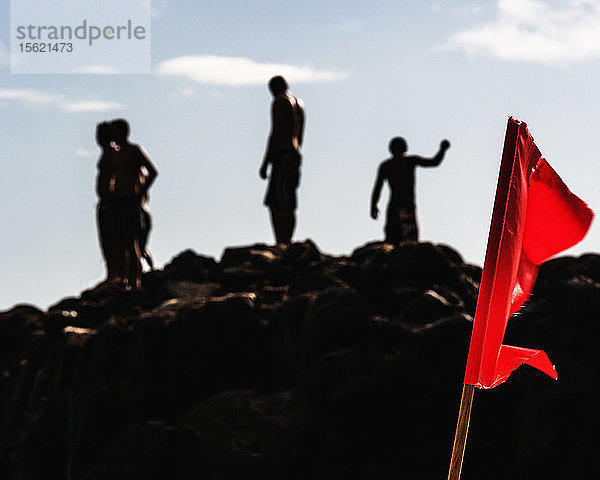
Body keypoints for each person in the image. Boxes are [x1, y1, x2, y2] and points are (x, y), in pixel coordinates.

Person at [95, 119, 157, 289]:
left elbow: (152, 171)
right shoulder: (116, 153)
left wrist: (141, 191)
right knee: (120, 242)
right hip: (118, 201)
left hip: (131, 200)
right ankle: (124, 279)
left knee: (132, 242)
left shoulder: (134, 151)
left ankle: (135, 280)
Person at [370, 137, 450, 244]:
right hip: (405, 204)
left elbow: (377, 189)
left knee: (394, 238)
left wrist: (373, 206)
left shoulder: (387, 165)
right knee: (408, 239)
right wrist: (442, 150)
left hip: (398, 205)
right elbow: (434, 162)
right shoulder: (408, 161)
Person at [259, 75, 305, 245]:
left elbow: (275, 132)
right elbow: (300, 136)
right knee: (289, 200)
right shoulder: (299, 104)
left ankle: (281, 242)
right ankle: (287, 240)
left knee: (276, 201)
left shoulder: (280, 101)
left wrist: (265, 163)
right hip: (294, 154)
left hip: (282, 154)